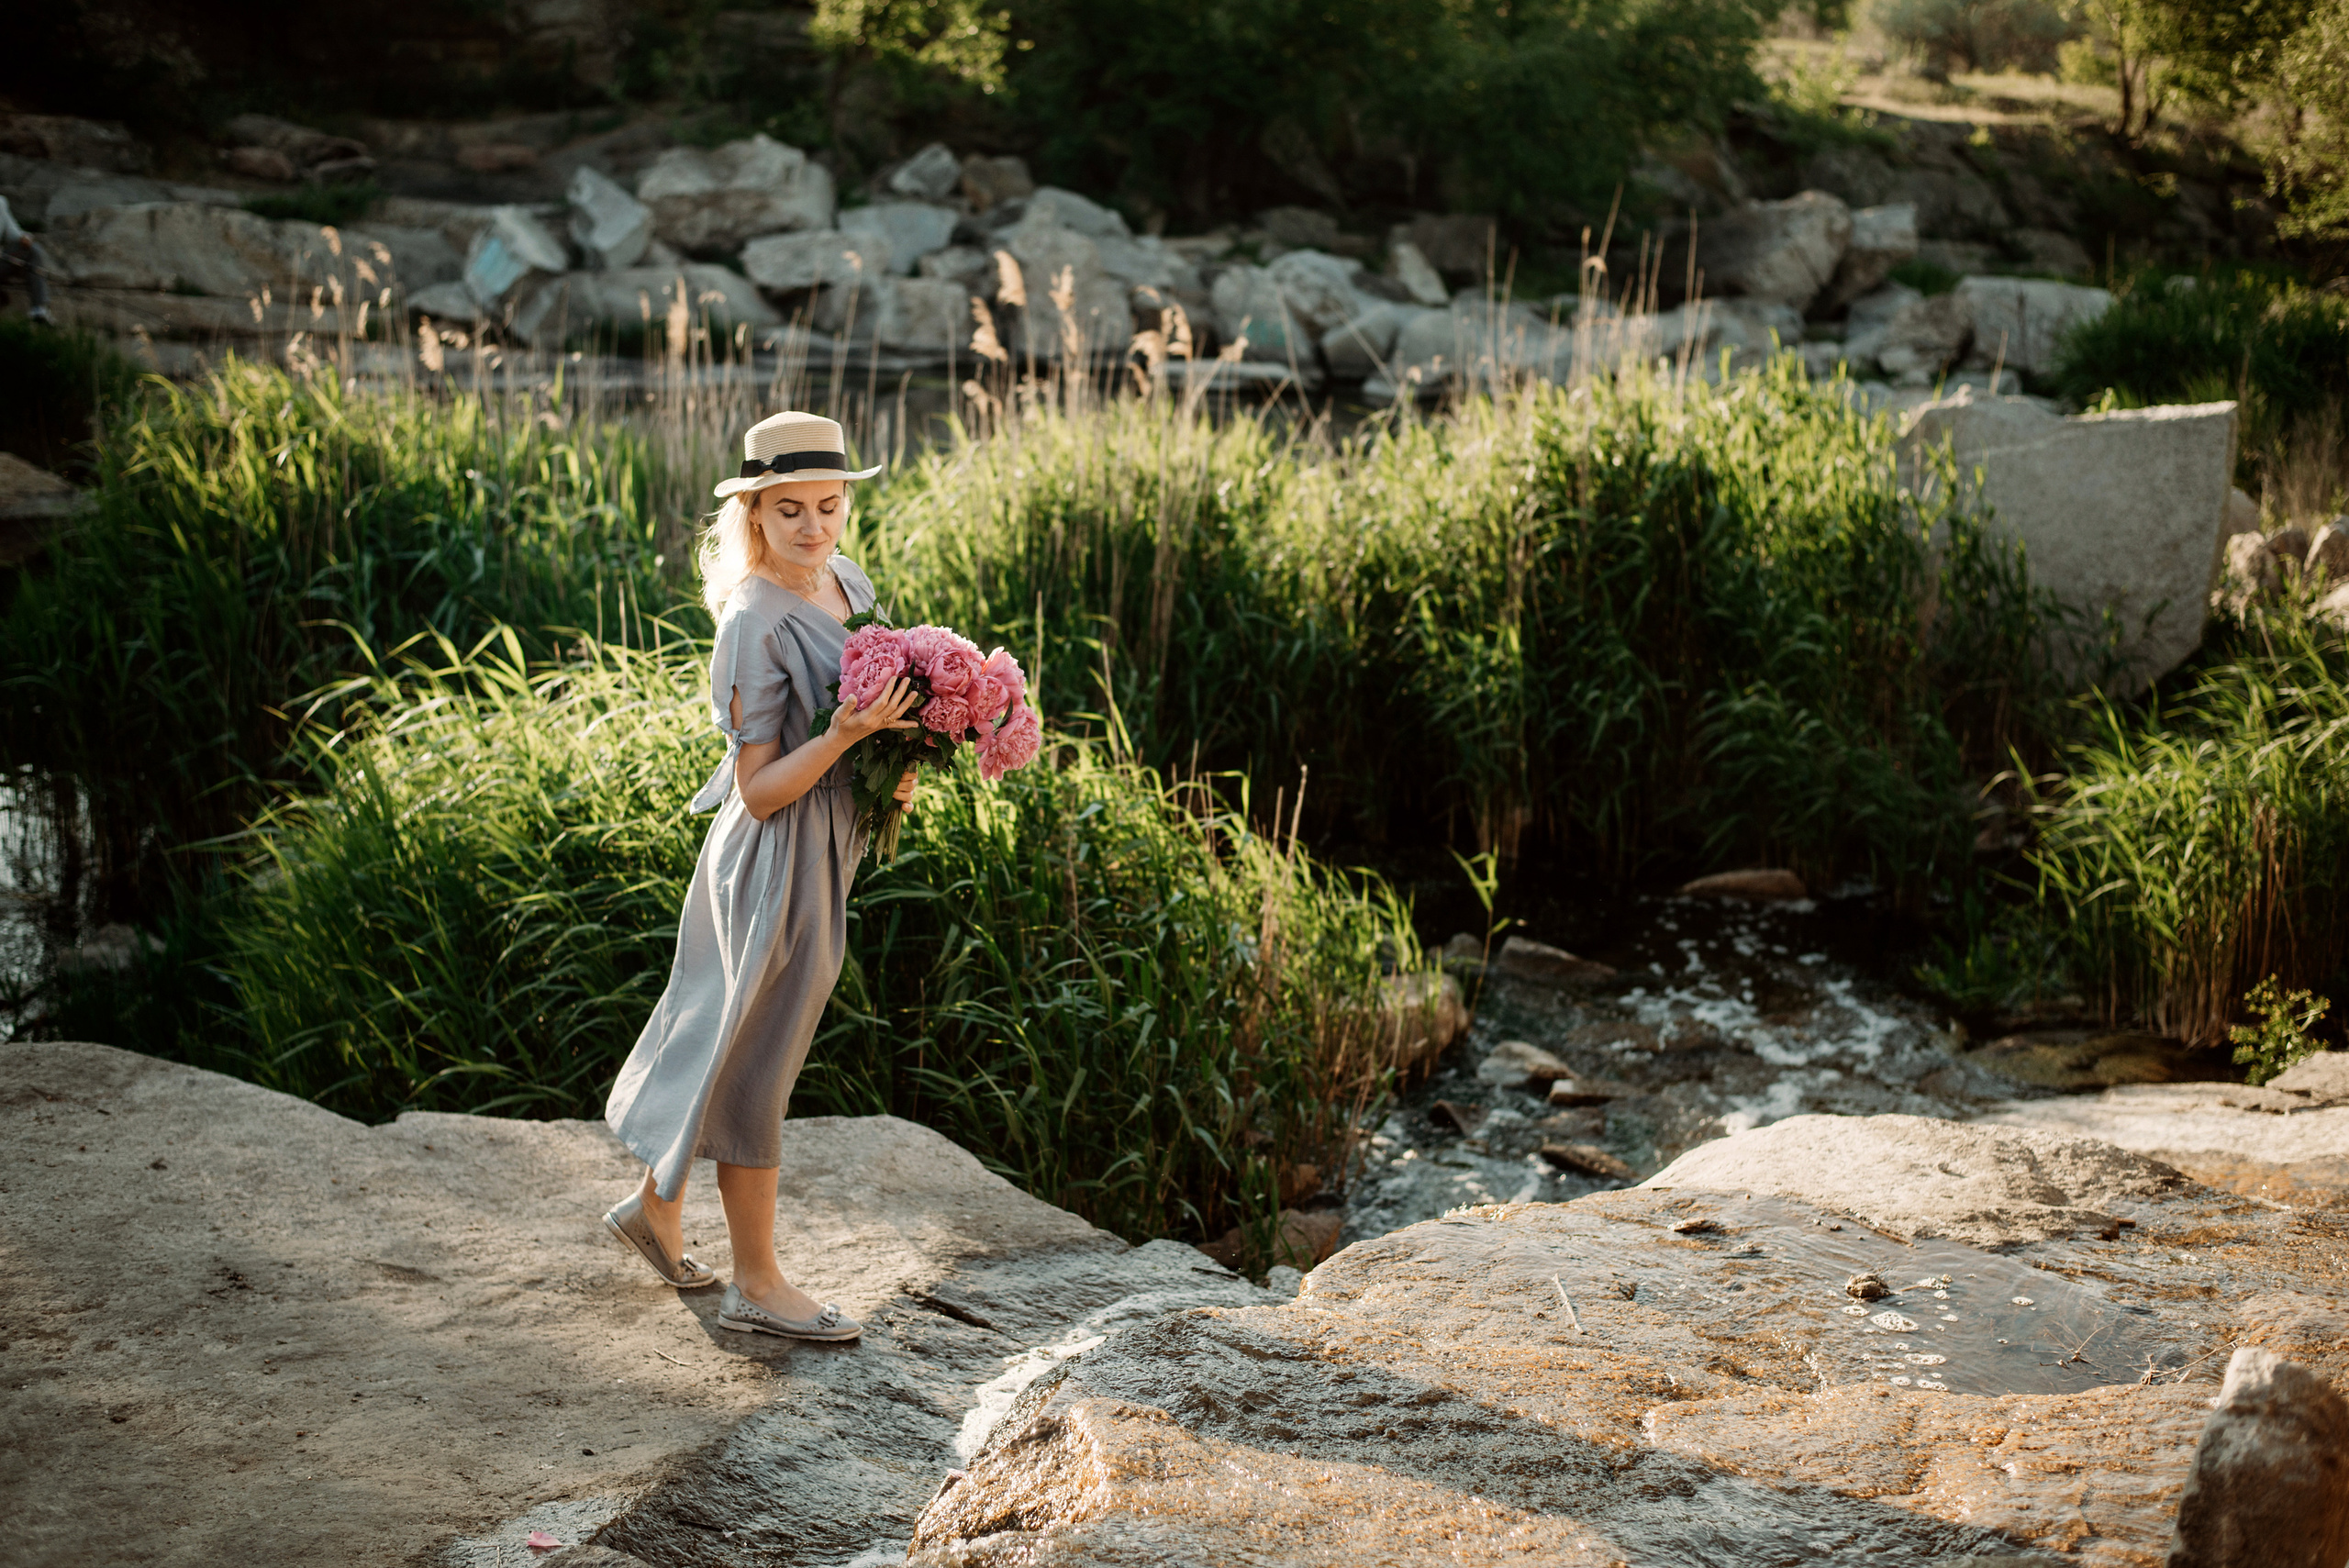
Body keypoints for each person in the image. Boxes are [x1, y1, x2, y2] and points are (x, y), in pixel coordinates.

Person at [601, 410, 919, 1344]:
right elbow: (761, 789)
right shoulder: (750, 619)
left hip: (833, 843)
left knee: (741, 1043)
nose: (813, 527)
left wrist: (897, 755)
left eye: (828, 505)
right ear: (752, 512)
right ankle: (757, 1280)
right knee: (757, 1055)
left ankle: (655, 1211)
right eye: (789, 510)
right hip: (775, 861)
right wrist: (848, 736)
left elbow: (875, 701)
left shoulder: (845, 581)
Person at [0, 196, 53, 324]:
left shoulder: (1, 203)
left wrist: (25, 238)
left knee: (33, 250)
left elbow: (13, 233)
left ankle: (39, 309)